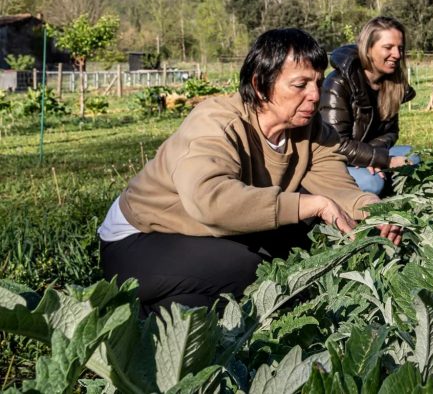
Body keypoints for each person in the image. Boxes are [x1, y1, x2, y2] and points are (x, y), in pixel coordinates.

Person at [98, 28, 402, 315]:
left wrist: (372, 211)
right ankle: (123, 314)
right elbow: (211, 200)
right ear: (260, 85)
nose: (314, 95)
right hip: (141, 239)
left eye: (317, 83)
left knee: (283, 258)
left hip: (202, 235)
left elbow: (336, 185)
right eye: (300, 85)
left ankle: (170, 312)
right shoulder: (215, 123)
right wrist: (312, 204)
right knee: (258, 270)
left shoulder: (310, 130)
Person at [319, 16, 417, 196]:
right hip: (334, 161)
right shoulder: (338, 84)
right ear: (368, 49)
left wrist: (371, 156)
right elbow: (336, 144)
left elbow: (391, 132)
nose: (397, 54)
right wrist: (383, 160)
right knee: (373, 183)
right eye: (388, 47)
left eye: (400, 48)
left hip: (361, 153)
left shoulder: (391, 85)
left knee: (412, 156)